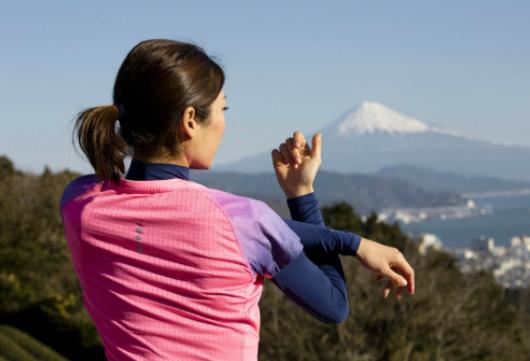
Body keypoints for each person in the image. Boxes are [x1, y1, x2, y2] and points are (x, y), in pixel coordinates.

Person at [60, 38, 415, 361]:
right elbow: (333, 306)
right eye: (222, 110)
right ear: (189, 121)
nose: (224, 124)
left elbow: (177, 217)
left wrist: (353, 243)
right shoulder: (244, 221)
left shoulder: (80, 204)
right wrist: (304, 198)